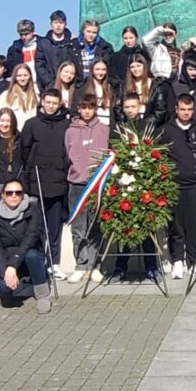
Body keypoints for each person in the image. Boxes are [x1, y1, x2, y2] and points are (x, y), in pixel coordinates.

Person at [18, 89, 70, 280]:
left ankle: (54, 263)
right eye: (47, 102)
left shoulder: (66, 124)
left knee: (54, 228)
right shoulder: (31, 124)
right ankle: (37, 264)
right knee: (36, 228)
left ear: (59, 105)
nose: (50, 106)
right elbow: (24, 152)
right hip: (36, 184)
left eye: (54, 103)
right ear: (42, 102)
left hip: (58, 184)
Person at [0, 179, 52, 313]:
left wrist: (12, 265)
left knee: (32, 255)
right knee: (6, 295)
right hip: (5, 259)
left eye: (18, 192)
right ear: (3, 195)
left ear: (22, 195)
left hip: (28, 256)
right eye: (9, 193)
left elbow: (30, 239)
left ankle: (42, 293)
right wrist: (5, 269)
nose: (14, 196)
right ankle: (7, 283)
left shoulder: (33, 211)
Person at [161, 95, 196, 280]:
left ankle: (195, 260)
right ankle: (178, 261)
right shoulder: (165, 131)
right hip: (174, 186)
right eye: (183, 109)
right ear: (176, 109)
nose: (186, 113)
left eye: (189, 110)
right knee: (176, 225)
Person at [64, 93, 108, 284]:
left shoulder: (104, 129)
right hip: (76, 183)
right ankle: (81, 265)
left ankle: (94, 265)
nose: (87, 111)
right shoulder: (70, 131)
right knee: (78, 227)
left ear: (95, 109)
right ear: (79, 109)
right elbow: (67, 153)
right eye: (84, 108)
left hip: (96, 184)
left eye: (91, 107)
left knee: (95, 226)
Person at [124, 52, 173, 130]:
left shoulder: (156, 86)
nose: (135, 69)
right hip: (129, 127)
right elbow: (119, 108)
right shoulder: (124, 86)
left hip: (150, 129)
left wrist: (143, 125)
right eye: (132, 67)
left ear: (144, 66)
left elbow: (160, 110)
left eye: (138, 66)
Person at [36, 10, 78, 90]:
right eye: (55, 22)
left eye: (61, 23)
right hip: (49, 86)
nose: (58, 26)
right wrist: (50, 82)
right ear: (51, 24)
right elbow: (39, 65)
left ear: (65, 24)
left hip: (69, 85)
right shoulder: (43, 44)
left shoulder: (72, 43)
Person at [0, 63, 39, 131]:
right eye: (19, 75)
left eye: (25, 75)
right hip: (13, 137)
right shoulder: (6, 96)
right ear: (15, 77)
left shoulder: (36, 97)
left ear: (30, 76)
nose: (22, 78)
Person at [79, 58, 115, 126]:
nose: (100, 72)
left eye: (103, 69)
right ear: (92, 70)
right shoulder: (84, 88)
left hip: (107, 126)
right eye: (97, 69)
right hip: (91, 127)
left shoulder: (111, 87)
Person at [5, 19, 40, 83]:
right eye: (21, 34)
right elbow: (8, 70)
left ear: (33, 31)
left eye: (26, 34)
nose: (23, 37)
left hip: (42, 85)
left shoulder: (44, 44)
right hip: (23, 85)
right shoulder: (14, 49)